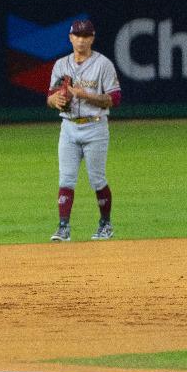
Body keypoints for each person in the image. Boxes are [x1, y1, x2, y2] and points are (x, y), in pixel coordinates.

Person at [45, 18, 121, 241]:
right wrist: (56, 100)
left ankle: (105, 225)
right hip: (68, 126)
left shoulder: (103, 64)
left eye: (86, 36)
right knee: (66, 178)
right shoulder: (61, 65)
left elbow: (115, 98)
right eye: (77, 35)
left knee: (97, 179)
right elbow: (50, 96)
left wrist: (84, 94)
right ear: (70, 38)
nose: (81, 40)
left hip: (95, 126)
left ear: (92, 38)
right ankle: (63, 227)